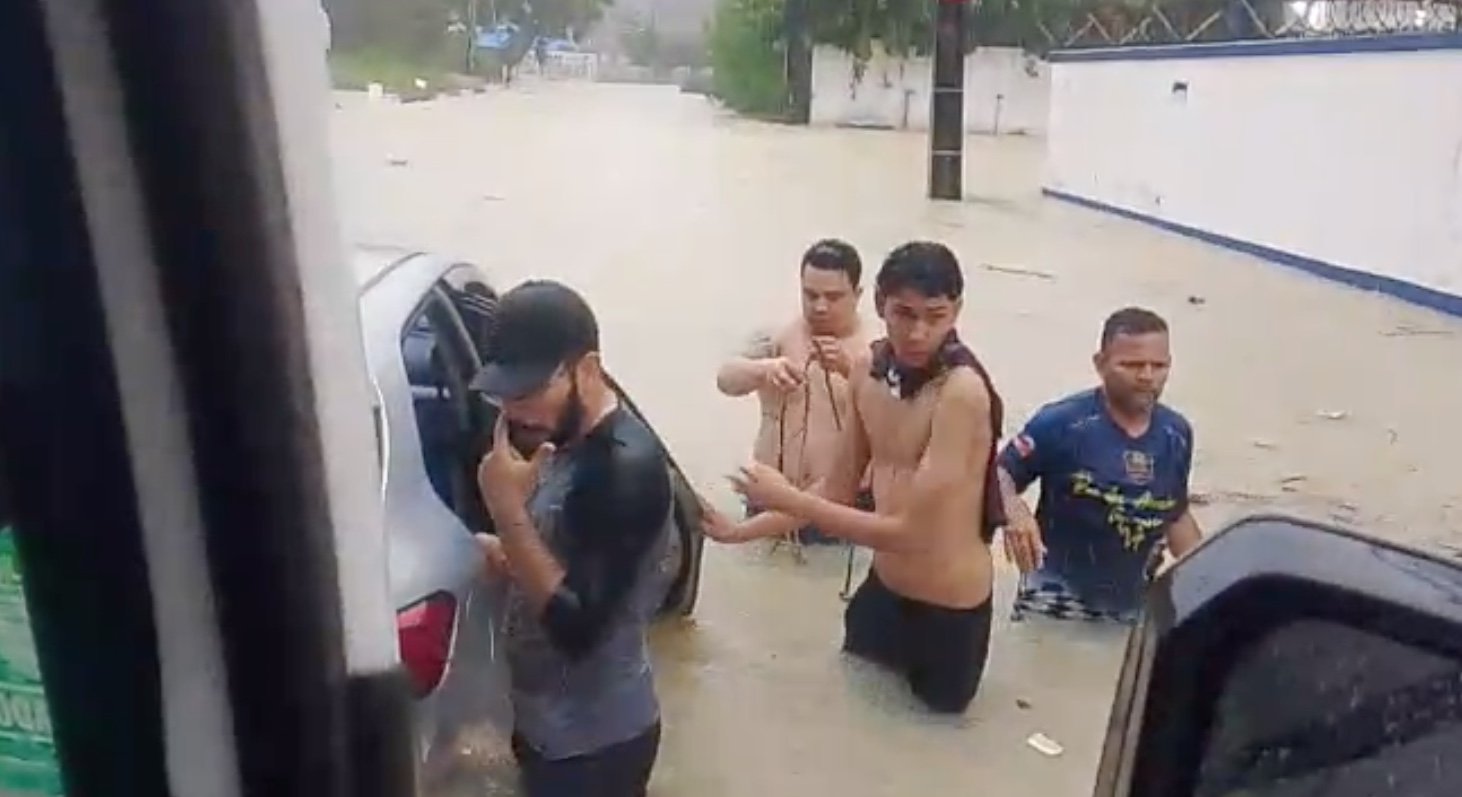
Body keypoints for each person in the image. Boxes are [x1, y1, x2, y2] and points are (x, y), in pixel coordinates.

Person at [705, 241, 1006, 715]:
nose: (918, 331)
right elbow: (837, 491)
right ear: (881, 304)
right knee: (848, 719)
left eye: (936, 315)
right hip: (881, 592)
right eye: (903, 313)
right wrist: (740, 532)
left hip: (948, 609)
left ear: (957, 311)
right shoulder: (867, 369)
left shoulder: (961, 394)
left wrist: (790, 501)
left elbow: (913, 533)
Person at [470, 280, 673, 797]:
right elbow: (567, 559)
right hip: (545, 725)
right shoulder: (560, 438)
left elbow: (577, 627)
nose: (516, 412)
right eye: (506, 394)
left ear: (586, 369)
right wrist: (508, 551)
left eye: (532, 391)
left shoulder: (625, 468)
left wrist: (508, 512)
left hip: (595, 745)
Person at [997, 307, 1203, 625]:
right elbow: (999, 473)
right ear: (1100, 363)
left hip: (1134, 606)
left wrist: (1211, 577)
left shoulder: (1176, 434)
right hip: (1054, 599)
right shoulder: (1061, 423)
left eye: (1158, 365)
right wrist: (1013, 509)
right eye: (1132, 365)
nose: (1147, 376)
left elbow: (1175, 514)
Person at [715, 239, 874, 546]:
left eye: (833, 297)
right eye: (810, 295)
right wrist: (764, 370)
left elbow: (894, 423)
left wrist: (849, 370)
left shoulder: (876, 351)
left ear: (858, 295)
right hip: (765, 502)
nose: (820, 306)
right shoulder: (777, 337)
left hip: (837, 513)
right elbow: (725, 380)